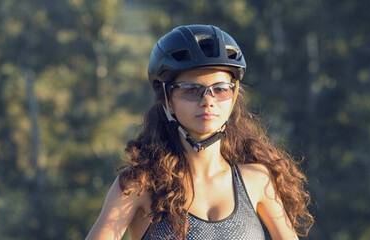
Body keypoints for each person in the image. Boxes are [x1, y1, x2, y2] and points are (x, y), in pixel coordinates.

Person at [86, 24, 313, 240]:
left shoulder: (257, 180)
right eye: (191, 89)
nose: (208, 101)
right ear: (168, 101)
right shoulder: (140, 184)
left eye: (220, 89)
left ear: (233, 98)